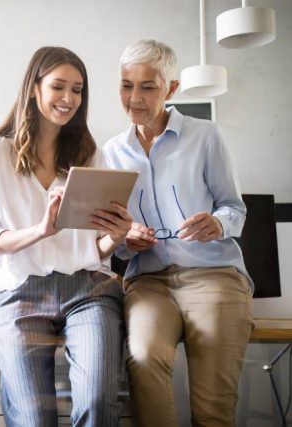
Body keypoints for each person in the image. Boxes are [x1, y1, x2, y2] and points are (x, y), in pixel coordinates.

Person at [0, 46, 132, 427]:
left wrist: (116, 237)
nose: (69, 99)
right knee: (31, 417)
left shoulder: (88, 154)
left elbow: (95, 248)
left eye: (77, 90)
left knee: (97, 399)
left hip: (88, 290)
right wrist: (41, 231)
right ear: (33, 89)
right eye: (59, 87)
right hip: (21, 292)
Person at [103, 39, 254, 427]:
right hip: (148, 282)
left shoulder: (206, 136)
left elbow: (234, 208)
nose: (134, 98)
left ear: (171, 89)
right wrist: (127, 240)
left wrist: (218, 223)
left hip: (214, 276)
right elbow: (112, 239)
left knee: (211, 407)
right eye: (125, 85)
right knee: (142, 358)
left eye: (147, 86)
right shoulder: (110, 153)